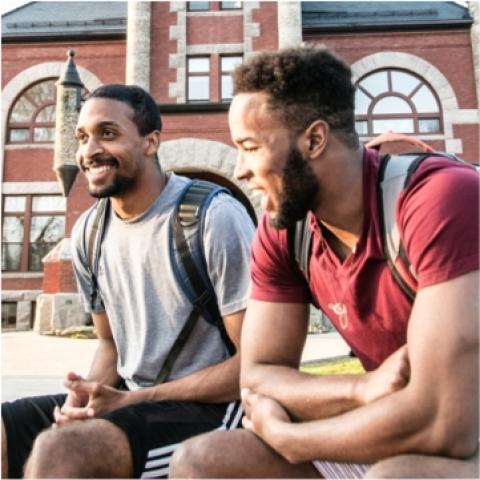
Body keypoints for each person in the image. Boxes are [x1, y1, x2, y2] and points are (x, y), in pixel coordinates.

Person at [169, 46, 479, 478]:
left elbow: (445, 422)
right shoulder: (286, 229)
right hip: (397, 423)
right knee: (204, 462)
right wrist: (360, 388)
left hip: (463, 433)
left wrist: (293, 439)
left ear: (314, 140)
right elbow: (257, 378)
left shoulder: (440, 198)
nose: (239, 170)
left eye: (250, 147)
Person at [1, 84, 255, 479]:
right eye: (82, 138)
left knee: (64, 454)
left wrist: (135, 399)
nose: (89, 151)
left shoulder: (213, 216)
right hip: (131, 400)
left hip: (217, 409)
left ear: (151, 142)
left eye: (108, 133)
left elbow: (253, 364)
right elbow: (110, 345)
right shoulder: (91, 230)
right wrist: (85, 399)